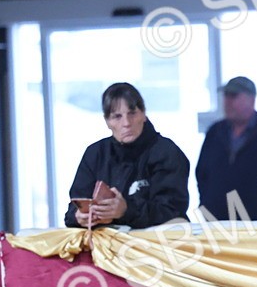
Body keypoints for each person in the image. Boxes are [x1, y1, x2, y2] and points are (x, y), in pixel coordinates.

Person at [64, 82, 190, 229]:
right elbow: (74, 207)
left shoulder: (167, 153)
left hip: (155, 246)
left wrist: (126, 210)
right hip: (102, 244)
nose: (126, 123)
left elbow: (172, 211)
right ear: (107, 122)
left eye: (132, 113)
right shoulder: (95, 154)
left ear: (144, 114)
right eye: (117, 116)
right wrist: (79, 217)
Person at [195, 76, 257, 222]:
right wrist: (206, 204)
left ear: (251, 99)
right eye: (226, 96)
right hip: (217, 222)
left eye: (234, 96)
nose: (227, 102)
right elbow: (202, 172)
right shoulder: (215, 132)